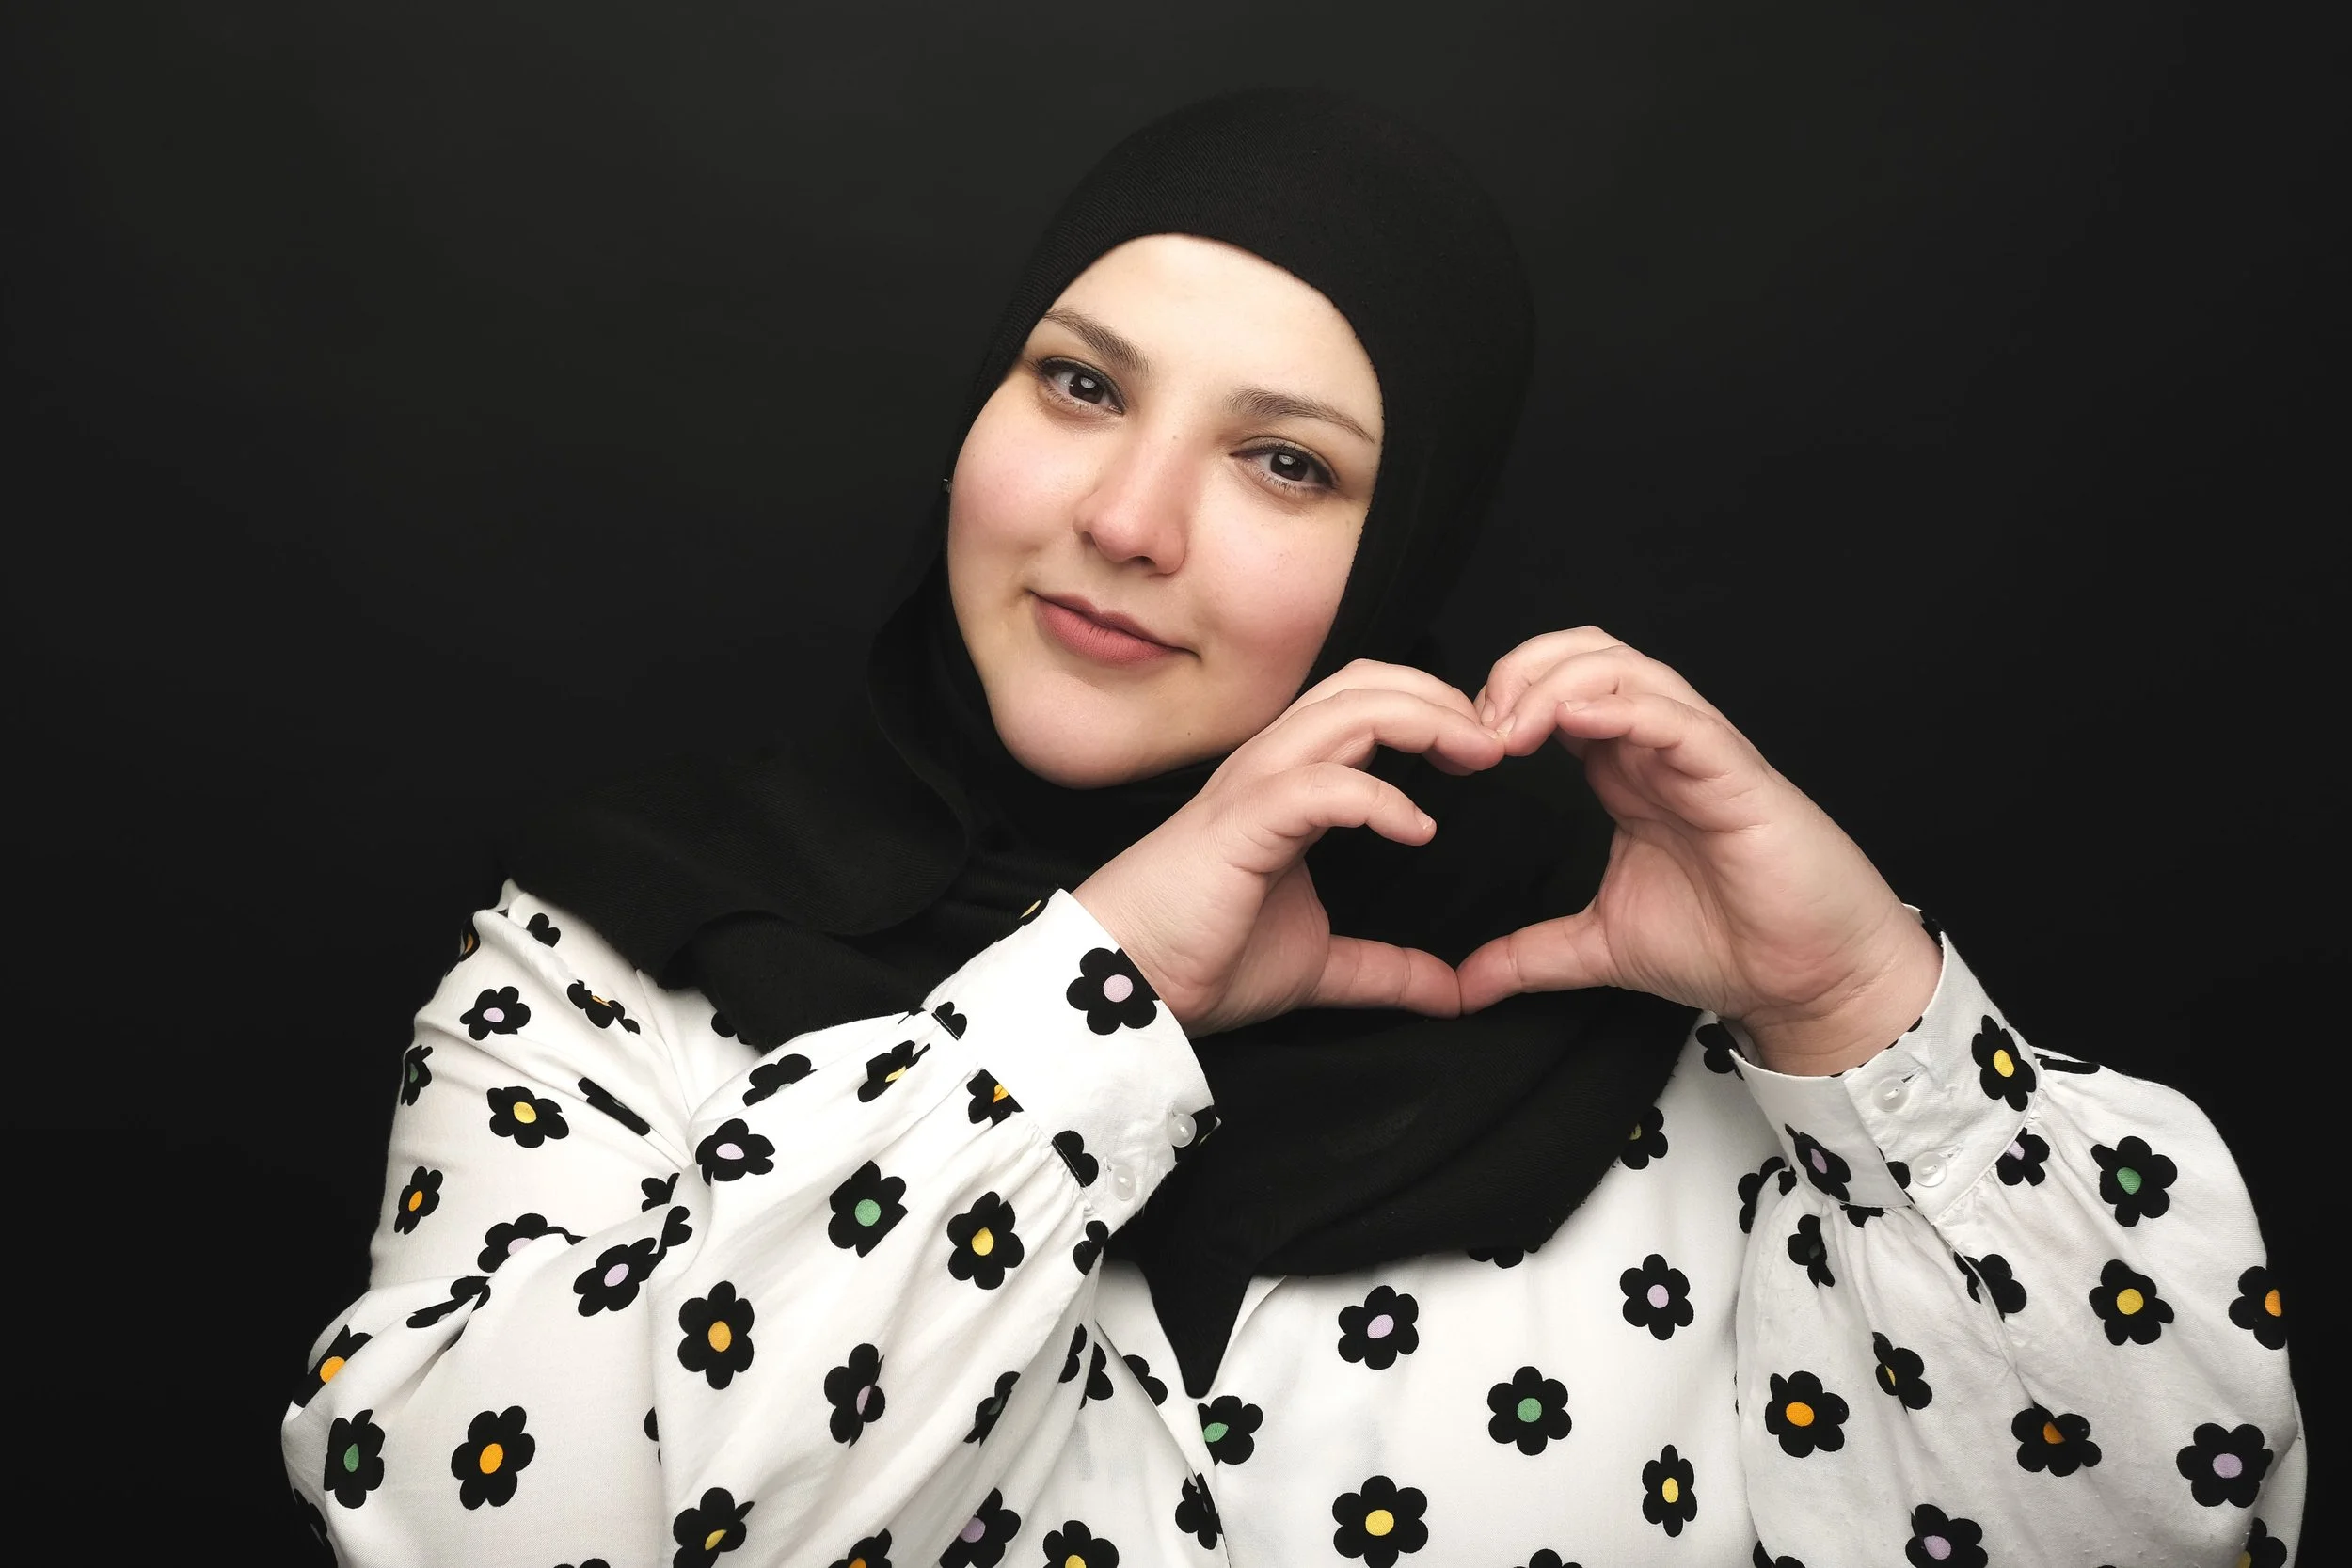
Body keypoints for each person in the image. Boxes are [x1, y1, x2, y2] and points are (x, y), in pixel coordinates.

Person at [280, 88, 2302, 1567]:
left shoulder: (1673, 1066)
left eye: (1280, 459)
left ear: (1402, 545)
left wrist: (1864, 1007)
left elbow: (2171, 1518)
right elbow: (455, 1506)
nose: (1129, 518)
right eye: (1078, 384)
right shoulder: (604, 966)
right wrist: (1103, 991)